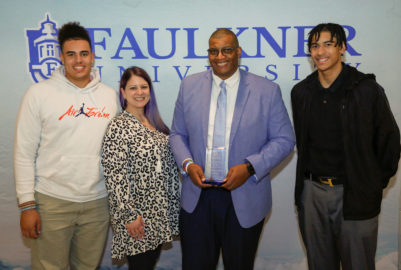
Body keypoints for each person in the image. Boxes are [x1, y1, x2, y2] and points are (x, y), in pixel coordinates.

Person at [169, 28, 295, 270]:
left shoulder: (266, 91)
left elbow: (284, 140)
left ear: (238, 52)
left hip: (244, 196)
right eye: (213, 51)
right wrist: (187, 164)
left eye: (226, 50)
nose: (220, 56)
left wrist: (249, 168)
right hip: (198, 198)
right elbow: (177, 134)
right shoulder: (189, 86)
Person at [291, 23, 400, 270]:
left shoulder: (366, 90)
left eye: (328, 44)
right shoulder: (302, 93)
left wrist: (370, 183)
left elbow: (389, 143)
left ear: (342, 48)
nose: (320, 52)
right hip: (313, 194)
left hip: (355, 195)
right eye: (315, 46)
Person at [14, 22, 119, 269]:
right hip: (52, 202)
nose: (78, 60)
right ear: (61, 57)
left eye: (84, 54)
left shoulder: (109, 96)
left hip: (97, 203)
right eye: (70, 54)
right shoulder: (38, 94)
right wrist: (27, 206)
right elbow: (23, 153)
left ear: (92, 56)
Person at [101, 66, 180, 270]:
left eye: (144, 87)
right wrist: (129, 215)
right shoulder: (118, 126)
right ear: (123, 91)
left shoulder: (155, 123)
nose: (139, 92)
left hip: (158, 214)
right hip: (137, 218)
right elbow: (114, 175)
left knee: (148, 265)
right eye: (133, 87)